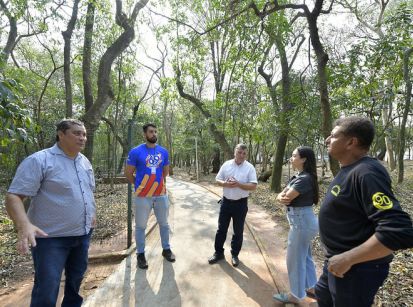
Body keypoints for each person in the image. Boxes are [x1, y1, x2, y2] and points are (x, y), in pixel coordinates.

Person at [316, 116, 413, 306]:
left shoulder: (367, 173)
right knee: (322, 296)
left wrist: (348, 258)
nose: (327, 140)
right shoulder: (349, 169)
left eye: (333, 136)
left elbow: (399, 230)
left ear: (351, 142)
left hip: (355, 270)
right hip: (336, 263)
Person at [5, 119, 96, 307]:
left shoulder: (84, 161)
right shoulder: (40, 160)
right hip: (50, 238)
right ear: (61, 134)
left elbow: (88, 191)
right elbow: (14, 196)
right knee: (47, 288)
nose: (82, 138)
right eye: (76, 133)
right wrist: (24, 225)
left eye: (84, 134)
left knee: (75, 282)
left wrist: (91, 213)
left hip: (82, 234)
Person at [124, 123, 175, 269]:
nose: (154, 134)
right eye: (151, 132)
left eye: (155, 131)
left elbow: (165, 172)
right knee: (140, 226)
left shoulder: (163, 152)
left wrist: (158, 184)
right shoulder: (135, 152)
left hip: (160, 194)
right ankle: (140, 254)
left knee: (164, 224)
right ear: (144, 134)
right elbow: (128, 173)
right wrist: (139, 185)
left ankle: (166, 249)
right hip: (142, 196)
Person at [273, 146, 319, 304]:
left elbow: (287, 196)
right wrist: (281, 196)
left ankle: (296, 295)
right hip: (303, 222)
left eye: (294, 156)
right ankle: (312, 287)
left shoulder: (304, 179)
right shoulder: (299, 176)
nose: (291, 158)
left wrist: (282, 196)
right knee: (305, 256)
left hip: (301, 224)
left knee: (294, 260)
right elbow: (281, 196)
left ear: (303, 159)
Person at [208, 144, 258, 267]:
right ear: (235, 152)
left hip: (240, 204)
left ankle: (235, 254)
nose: (241, 155)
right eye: (239, 152)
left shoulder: (249, 168)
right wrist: (225, 183)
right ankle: (218, 253)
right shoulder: (226, 165)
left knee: (238, 231)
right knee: (221, 229)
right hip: (226, 202)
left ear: (246, 155)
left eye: (244, 153)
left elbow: (253, 186)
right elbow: (217, 179)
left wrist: (238, 184)